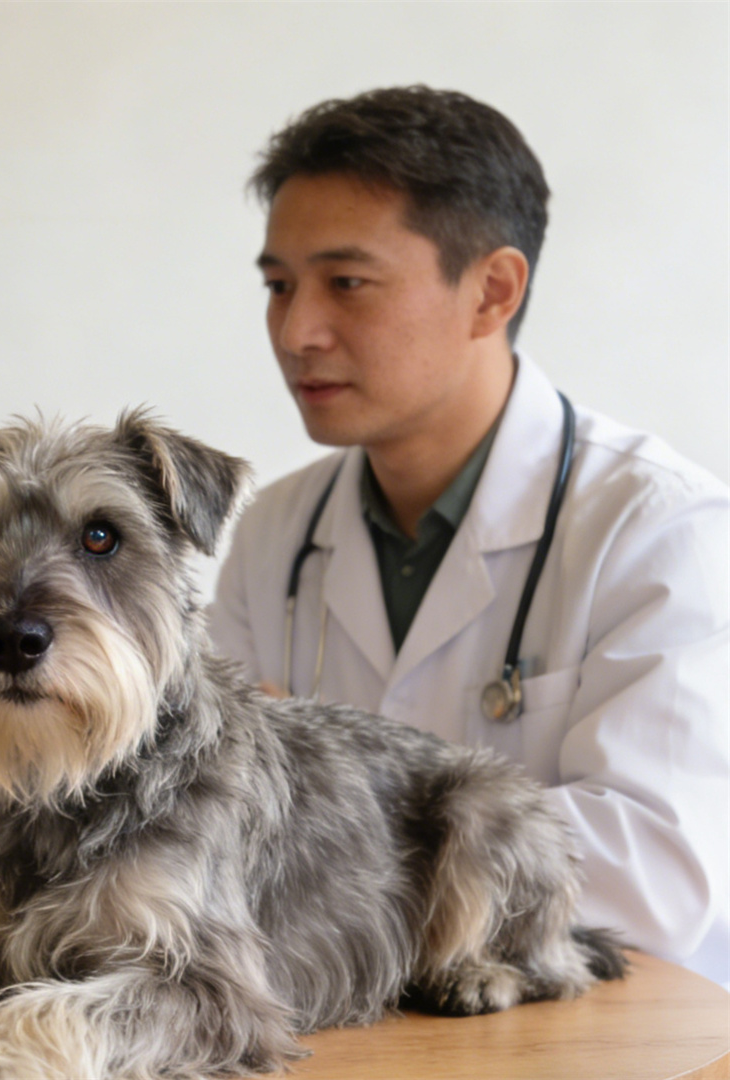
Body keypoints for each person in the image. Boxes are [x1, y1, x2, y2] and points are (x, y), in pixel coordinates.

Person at [207, 87, 729, 982]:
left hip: (606, 1031)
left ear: (492, 291)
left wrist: (319, 815)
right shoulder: (275, 532)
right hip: (352, 1014)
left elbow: (656, 873)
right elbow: (196, 814)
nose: (297, 332)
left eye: (347, 283)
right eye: (278, 287)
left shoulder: (657, 527)